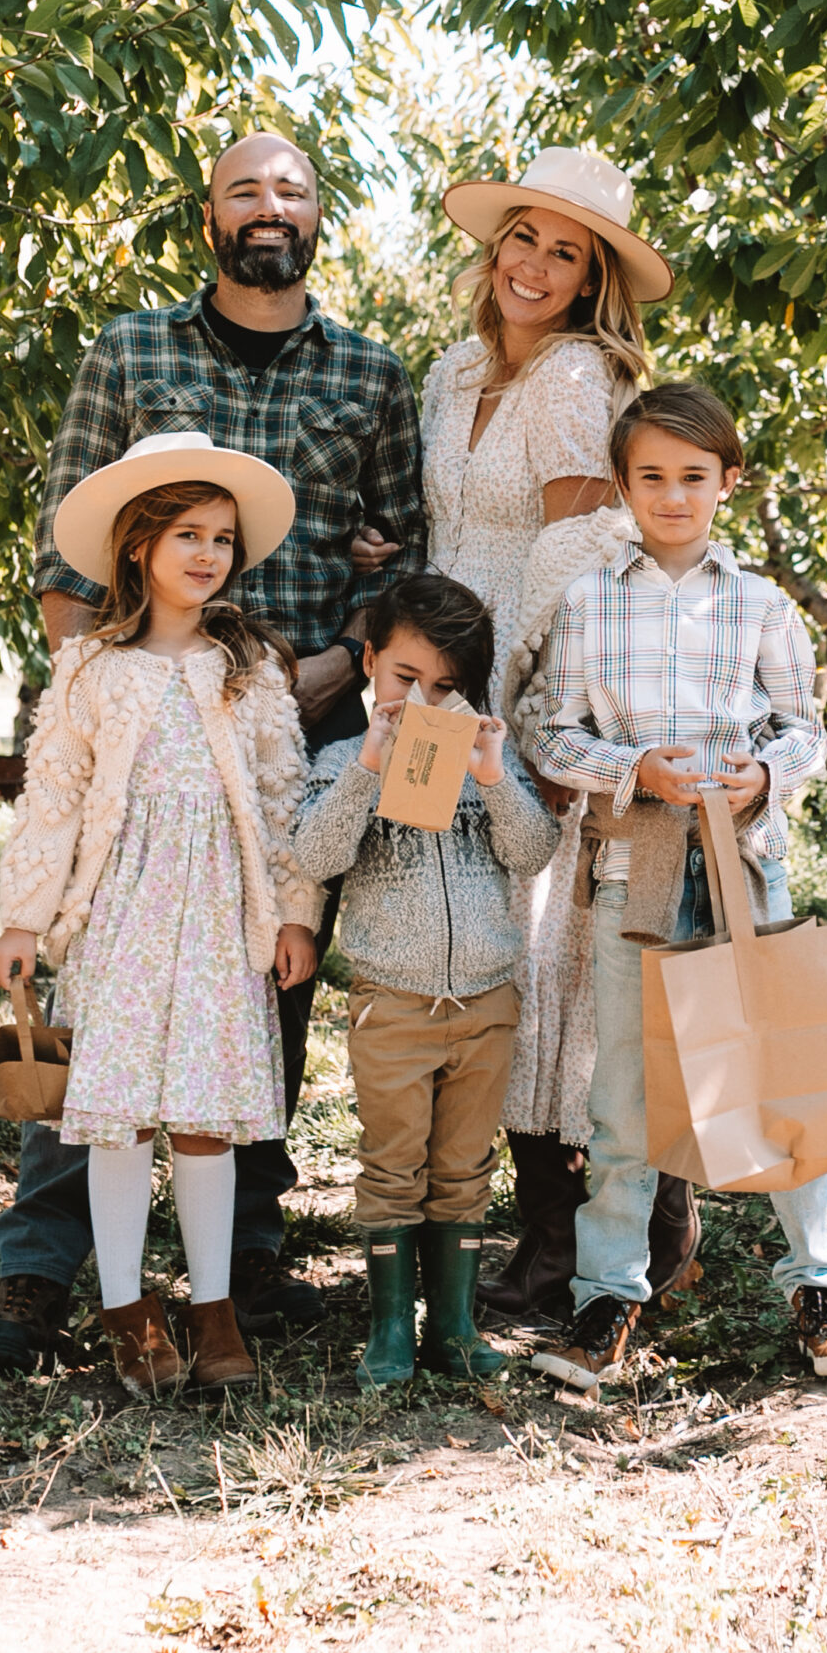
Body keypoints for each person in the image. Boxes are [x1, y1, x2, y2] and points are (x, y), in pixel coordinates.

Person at [0, 130, 426, 1375]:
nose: (268, 206)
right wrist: (102, 676)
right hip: (132, 723)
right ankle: (45, 1269)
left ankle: (242, 1265)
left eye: (292, 187)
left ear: (320, 216)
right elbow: (71, 564)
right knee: (100, 1026)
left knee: (252, 1013)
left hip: (293, 716)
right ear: (209, 215)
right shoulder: (133, 351)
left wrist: (325, 667)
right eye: (243, 189)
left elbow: (407, 554)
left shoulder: (373, 378)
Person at [356, 147, 697, 1326]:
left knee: (542, 935)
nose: (536, 266)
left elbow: (568, 554)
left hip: (515, 666)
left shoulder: (574, 377)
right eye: (524, 239)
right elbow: (450, 515)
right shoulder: (454, 372)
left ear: (594, 275)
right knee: (474, 915)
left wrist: (510, 699)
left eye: (567, 252)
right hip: (442, 652)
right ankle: (516, 1210)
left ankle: (600, 1229)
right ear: (491, 246)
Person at [525, 381, 827, 1391]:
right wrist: (633, 768)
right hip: (636, 864)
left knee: (772, 1067)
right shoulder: (590, 600)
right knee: (626, 1097)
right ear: (624, 486)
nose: (672, 496)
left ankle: (822, 1292)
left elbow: (802, 726)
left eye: (693, 476)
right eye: (651, 477)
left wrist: (767, 775)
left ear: (729, 480)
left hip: (740, 865)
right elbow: (553, 730)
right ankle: (608, 1301)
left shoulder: (761, 603)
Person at [0, 434, 322, 1396]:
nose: (207, 553)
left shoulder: (247, 668)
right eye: (186, 533)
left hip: (222, 914)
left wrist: (294, 913)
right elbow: (52, 793)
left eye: (222, 537)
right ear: (140, 545)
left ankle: (214, 1307)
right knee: (119, 1119)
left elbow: (281, 795)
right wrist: (24, 917)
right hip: (125, 913)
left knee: (207, 1121)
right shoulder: (93, 667)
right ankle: (128, 1308)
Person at [291, 574, 560, 1388]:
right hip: (393, 1001)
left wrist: (491, 774)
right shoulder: (341, 760)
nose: (421, 697)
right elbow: (315, 855)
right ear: (371, 662)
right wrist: (369, 766)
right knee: (392, 1163)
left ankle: (452, 1325)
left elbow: (533, 851)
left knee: (464, 1164)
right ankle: (387, 1332)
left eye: (444, 687)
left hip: (486, 998)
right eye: (406, 678)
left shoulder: (494, 762)